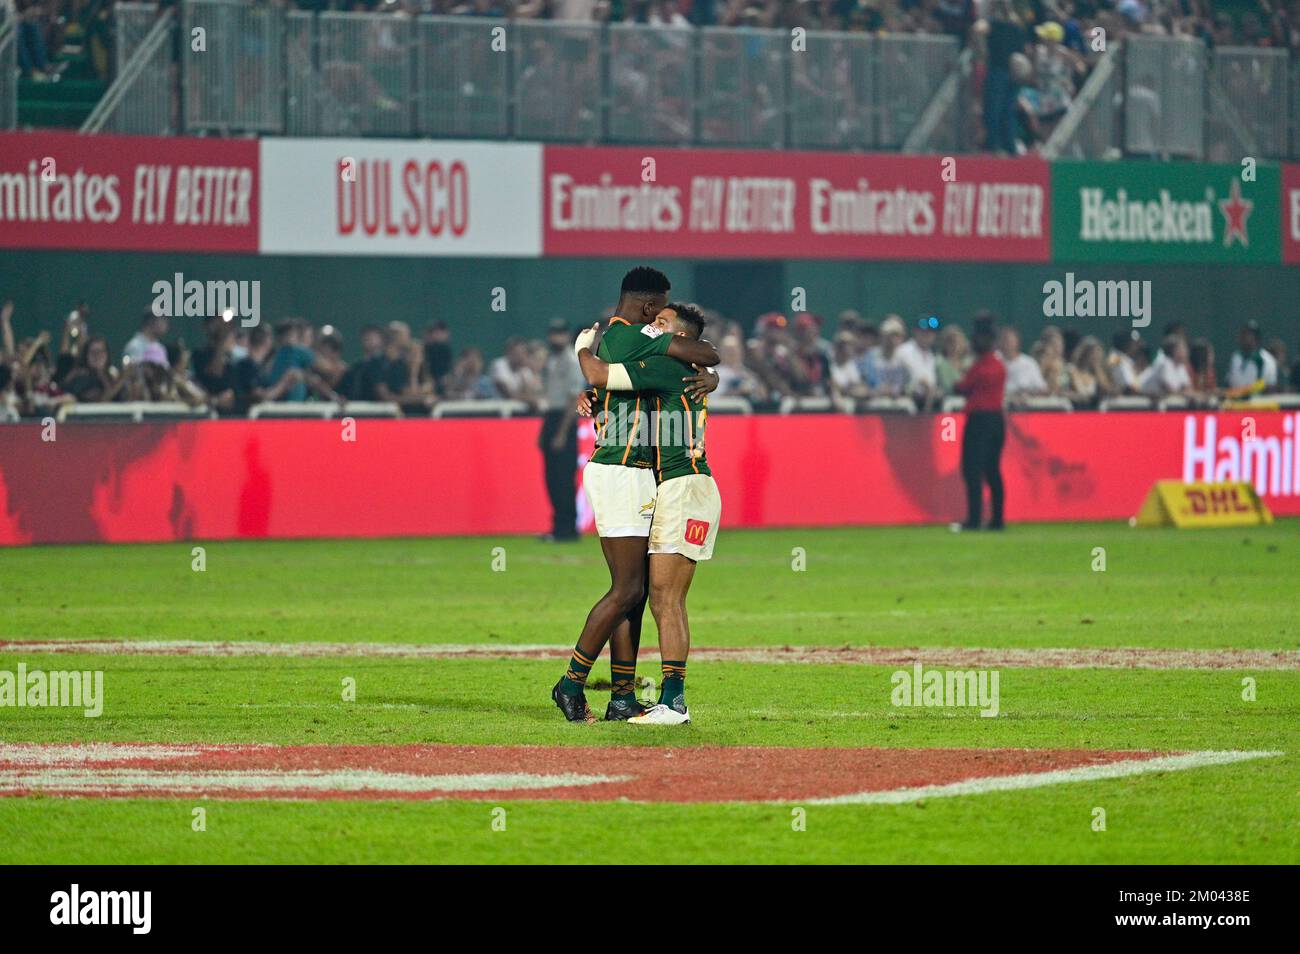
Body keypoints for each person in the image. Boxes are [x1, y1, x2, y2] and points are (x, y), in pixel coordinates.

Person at [551, 266, 719, 724]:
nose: (658, 327)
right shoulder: (633, 339)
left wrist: (708, 374)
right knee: (629, 588)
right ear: (647, 309)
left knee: (638, 592)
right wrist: (582, 352)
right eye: (658, 317)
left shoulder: (640, 345)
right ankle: (571, 683)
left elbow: (699, 358)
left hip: (645, 475)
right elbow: (601, 372)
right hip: (623, 471)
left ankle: (622, 696)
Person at [955, 318, 1007, 531]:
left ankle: (974, 519)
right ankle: (997, 519)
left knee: (972, 470)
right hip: (997, 420)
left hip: (979, 421)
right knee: (993, 470)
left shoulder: (981, 366)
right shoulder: (999, 366)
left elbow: (963, 387)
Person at [538, 320, 586, 543]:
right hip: (551, 416)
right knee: (551, 478)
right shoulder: (551, 359)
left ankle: (567, 528)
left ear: (567, 336)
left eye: (560, 334)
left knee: (563, 478)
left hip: (563, 420)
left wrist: (561, 432)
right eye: (553, 334)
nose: (555, 338)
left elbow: (572, 400)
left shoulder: (570, 361)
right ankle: (558, 526)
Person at [1226, 321, 1278, 393]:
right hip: (1236, 402)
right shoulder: (1236, 357)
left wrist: (1250, 390)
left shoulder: (1267, 359)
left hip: (1259, 402)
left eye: (1249, 334)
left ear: (1256, 338)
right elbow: (1230, 382)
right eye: (1243, 334)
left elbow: (1270, 386)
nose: (1244, 337)